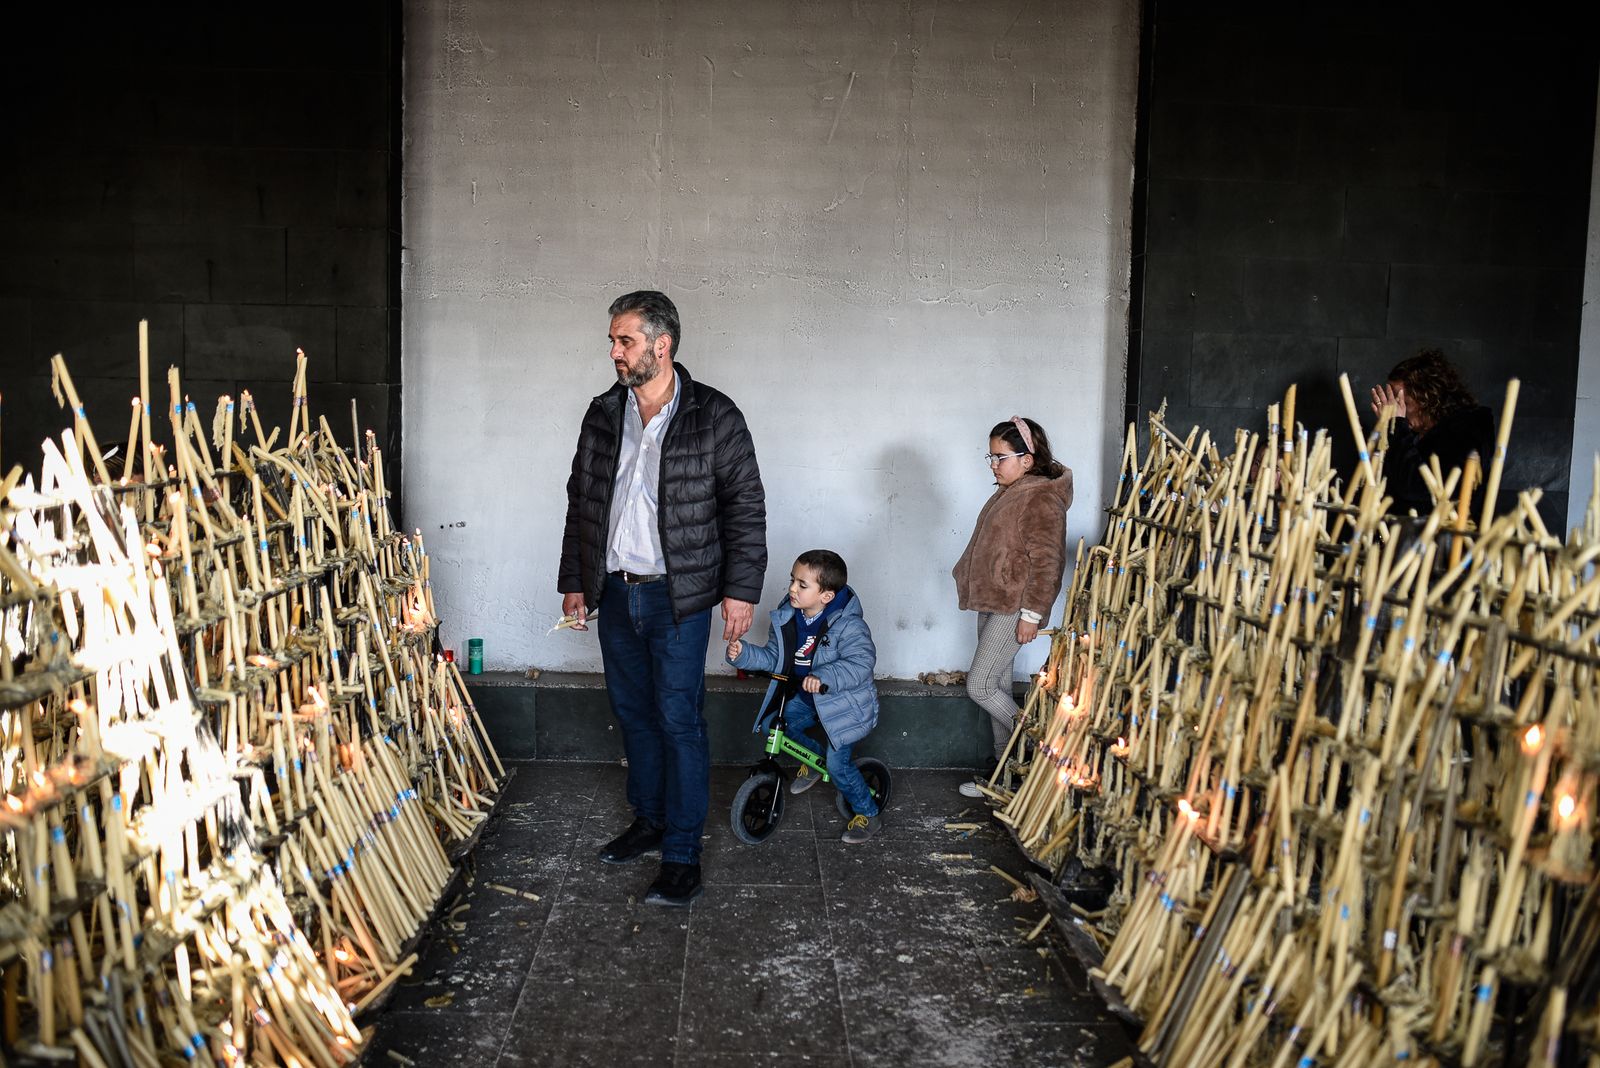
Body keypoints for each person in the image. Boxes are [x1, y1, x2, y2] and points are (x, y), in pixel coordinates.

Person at [558, 290, 766, 907]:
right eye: (613, 341)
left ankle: (681, 852)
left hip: (680, 599)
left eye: (625, 341)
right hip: (617, 595)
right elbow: (583, 502)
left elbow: (745, 509)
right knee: (635, 714)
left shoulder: (714, 416)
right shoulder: (603, 412)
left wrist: (739, 593)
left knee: (679, 721)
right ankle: (647, 820)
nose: (615, 352)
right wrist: (575, 580)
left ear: (661, 344)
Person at [950, 416, 1073, 799]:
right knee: (998, 684)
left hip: (1014, 607)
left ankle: (1038, 746)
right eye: (991, 456)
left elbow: (1048, 561)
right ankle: (1007, 777)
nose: (993, 464)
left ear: (1027, 458)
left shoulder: (1041, 496)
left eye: (1000, 456)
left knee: (981, 685)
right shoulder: (1012, 489)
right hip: (993, 601)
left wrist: (1032, 615)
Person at [727, 549, 882, 842]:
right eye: (792, 580)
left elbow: (861, 664)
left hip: (844, 706)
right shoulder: (789, 616)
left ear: (826, 596)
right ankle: (812, 763)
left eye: (802, 584)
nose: (792, 589)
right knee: (775, 722)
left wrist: (824, 676)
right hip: (808, 699)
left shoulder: (848, 625)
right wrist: (744, 654)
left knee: (838, 766)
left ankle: (869, 813)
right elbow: (776, 657)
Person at [1369, 350, 1495, 517]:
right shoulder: (1413, 434)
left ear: (1428, 397)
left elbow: (1418, 487)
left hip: (1443, 540)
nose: (1396, 409)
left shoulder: (1466, 433)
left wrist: (1396, 425)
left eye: (1403, 402)